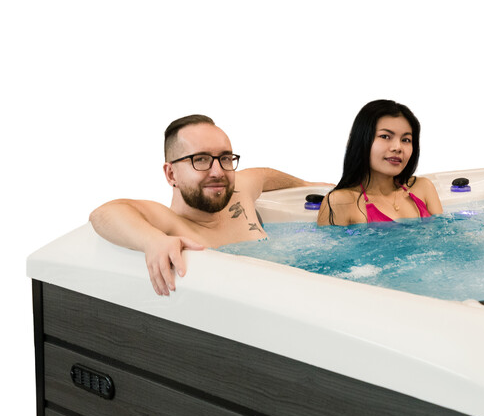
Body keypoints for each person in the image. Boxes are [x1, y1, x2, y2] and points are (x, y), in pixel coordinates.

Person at [90, 114, 316, 295]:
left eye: (225, 158)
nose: (218, 172)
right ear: (171, 174)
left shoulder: (238, 195)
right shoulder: (171, 224)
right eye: (200, 159)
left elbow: (264, 176)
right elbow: (104, 213)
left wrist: (307, 184)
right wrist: (152, 241)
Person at [318, 100, 442, 226]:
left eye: (406, 140)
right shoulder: (340, 202)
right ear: (362, 140)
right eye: (385, 136)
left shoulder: (423, 188)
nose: (397, 147)